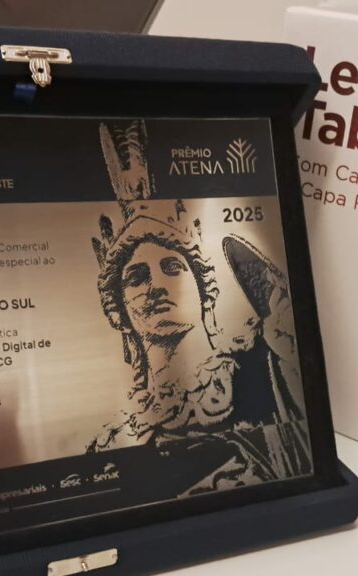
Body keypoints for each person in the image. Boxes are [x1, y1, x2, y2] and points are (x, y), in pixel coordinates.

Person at [88, 121, 311, 493]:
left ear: (205, 292)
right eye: (137, 277)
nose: (156, 286)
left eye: (172, 268)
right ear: (118, 312)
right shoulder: (110, 443)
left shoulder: (265, 369)